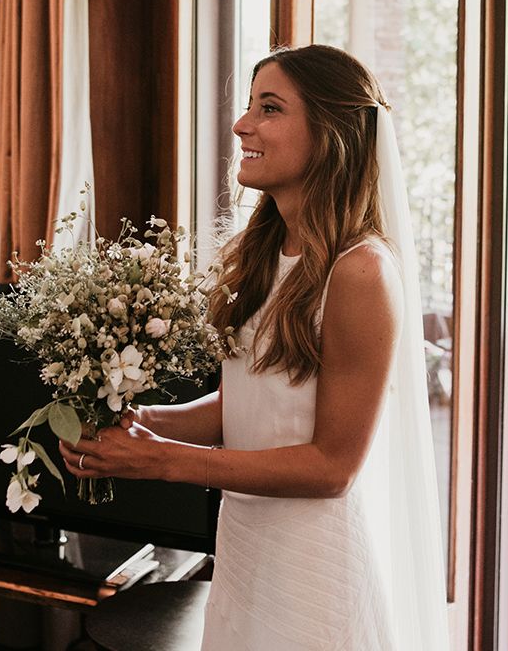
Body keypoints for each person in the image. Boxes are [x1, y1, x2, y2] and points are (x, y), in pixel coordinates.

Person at [60, 44, 449, 651]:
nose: (242, 124)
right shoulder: (265, 254)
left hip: (312, 568)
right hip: (245, 544)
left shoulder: (361, 272)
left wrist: (164, 460)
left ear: (332, 135)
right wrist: (137, 424)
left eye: (269, 108)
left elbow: (333, 467)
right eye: (248, 105)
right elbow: (254, 401)